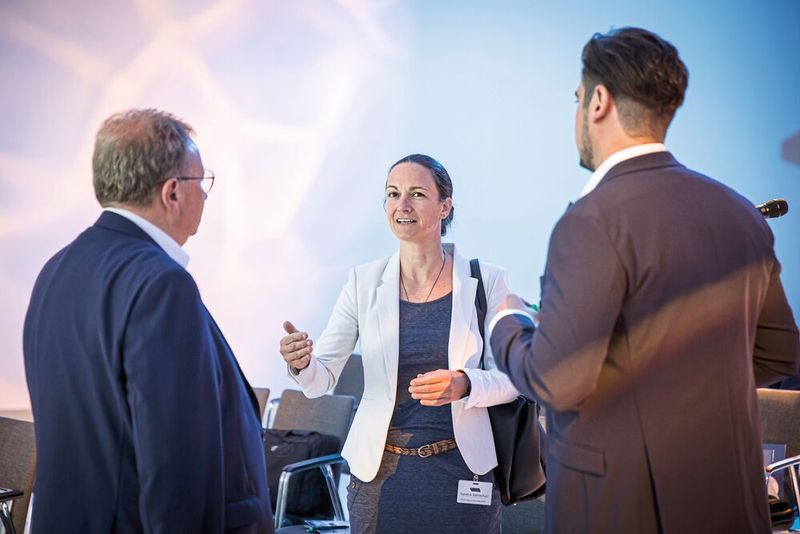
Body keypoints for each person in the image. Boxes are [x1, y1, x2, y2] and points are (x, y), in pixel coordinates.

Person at [489, 27, 800, 533]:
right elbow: (778, 355)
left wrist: (508, 322)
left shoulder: (591, 221)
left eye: (576, 99)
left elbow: (556, 380)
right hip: (733, 501)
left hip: (620, 507)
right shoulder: (742, 215)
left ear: (598, 102)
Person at [23, 109, 273, 533]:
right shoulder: (162, 284)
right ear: (172, 192)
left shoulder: (56, 270)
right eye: (201, 182)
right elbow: (176, 466)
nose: (206, 196)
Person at [279, 154, 518, 533]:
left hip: (461, 472)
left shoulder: (487, 281)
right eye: (392, 194)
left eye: (417, 194)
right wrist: (301, 362)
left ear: (445, 205)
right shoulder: (363, 282)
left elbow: (514, 377)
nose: (402, 206)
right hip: (379, 475)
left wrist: (465, 384)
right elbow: (319, 379)